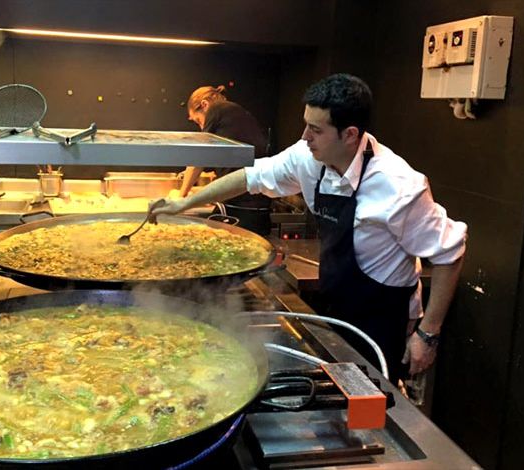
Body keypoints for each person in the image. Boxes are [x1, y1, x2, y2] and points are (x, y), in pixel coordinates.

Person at [153, 74, 467, 384]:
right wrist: (186, 203)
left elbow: (449, 254)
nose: (305, 137)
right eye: (306, 124)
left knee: (375, 402)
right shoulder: (309, 157)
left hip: (380, 319)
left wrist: (428, 335)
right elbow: (250, 176)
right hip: (334, 303)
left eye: (315, 130)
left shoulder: (399, 186)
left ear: (349, 134)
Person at [181, 85, 272, 234]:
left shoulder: (216, 109)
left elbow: (198, 157)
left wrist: (181, 198)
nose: (201, 127)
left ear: (204, 104)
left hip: (242, 207)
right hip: (257, 206)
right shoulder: (236, 112)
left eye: (198, 121)